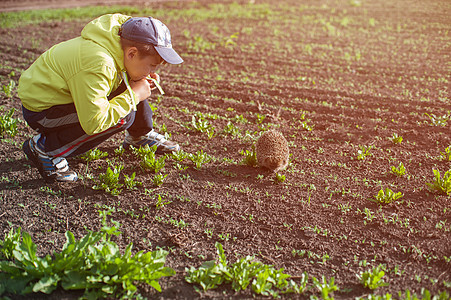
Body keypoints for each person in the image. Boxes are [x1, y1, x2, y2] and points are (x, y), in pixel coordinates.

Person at [18, 14, 183, 183]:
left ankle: (139, 136)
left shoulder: (119, 43)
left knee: (130, 86)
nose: (153, 71)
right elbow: (95, 121)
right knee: (122, 115)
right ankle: (46, 149)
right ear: (132, 53)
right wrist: (134, 95)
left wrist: (138, 81)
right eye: (152, 65)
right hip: (43, 111)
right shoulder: (99, 63)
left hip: (64, 96)